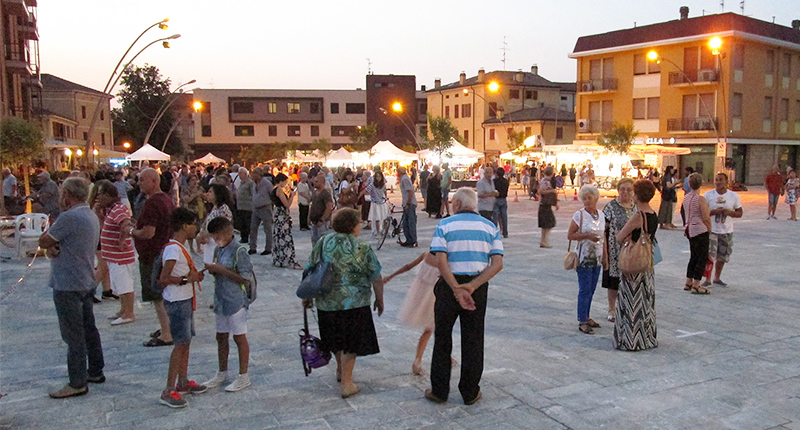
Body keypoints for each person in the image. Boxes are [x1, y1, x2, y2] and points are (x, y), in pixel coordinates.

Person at [424, 187, 503, 406]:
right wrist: (472, 286)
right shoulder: (489, 227)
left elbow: (440, 260)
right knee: (474, 339)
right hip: (477, 287)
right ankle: (470, 391)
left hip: (449, 286)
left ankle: (439, 391)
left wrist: (456, 288)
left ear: (457, 204)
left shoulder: (445, 225)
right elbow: (497, 264)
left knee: (442, 338)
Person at [301, 208, 384, 398]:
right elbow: (376, 275)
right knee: (350, 343)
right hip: (354, 303)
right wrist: (380, 299)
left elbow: (310, 269)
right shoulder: (361, 247)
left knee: (336, 339)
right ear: (353, 225)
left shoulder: (323, 242)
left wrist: (307, 296)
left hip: (327, 302)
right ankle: (347, 383)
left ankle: (340, 370)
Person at [38, 177, 104, 398]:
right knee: (89, 329)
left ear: (67, 194)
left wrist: (51, 245)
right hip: (85, 278)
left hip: (68, 283)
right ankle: (95, 370)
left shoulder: (69, 217)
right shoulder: (90, 215)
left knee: (73, 335)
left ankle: (77, 382)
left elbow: (45, 240)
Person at [157, 208, 207, 408]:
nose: (197, 228)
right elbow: (164, 278)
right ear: (185, 226)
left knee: (186, 342)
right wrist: (187, 279)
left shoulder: (179, 247)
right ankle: (169, 389)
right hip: (177, 302)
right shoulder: (173, 249)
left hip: (185, 299)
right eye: (194, 224)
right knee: (179, 343)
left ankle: (183, 380)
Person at [202, 217, 253, 392]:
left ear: (228, 232)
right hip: (221, 299)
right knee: (221, 337)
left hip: (236, 301)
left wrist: (222, 270)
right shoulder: (218, 250)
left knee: (239, 337)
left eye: (218, 236)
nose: (216, 240)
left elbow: (244, 279)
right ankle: (222, 372)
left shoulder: (239, 251)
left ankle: (243, 375)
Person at [131, 168, 176, 347]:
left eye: (142, 180)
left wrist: (131, 231)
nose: (139, 183)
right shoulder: (167, 200)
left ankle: (167, 333)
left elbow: (149, 233)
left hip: (153, 255)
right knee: (164, 295)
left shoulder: (153, 203)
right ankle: (167, 327)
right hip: (164, 252)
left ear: (154, 182)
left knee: (157, 296)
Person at [613, 180, 658, 351]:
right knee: (645, 302)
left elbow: (619, 236)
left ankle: (631, 339)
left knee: (631, 300)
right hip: (647, 262)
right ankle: (646, 337)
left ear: (636, 194)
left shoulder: (638, 216)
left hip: (634, 262)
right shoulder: (653, 213)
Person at [386, 251, 440, 375]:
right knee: (432, 329)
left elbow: (407, 266)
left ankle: (432, 357)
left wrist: (391, 276)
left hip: (420, 296)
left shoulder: (426, 255)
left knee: (433, 329)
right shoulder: (444, 259)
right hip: (434, 298)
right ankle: (417, 360)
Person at [95, 180, 136, 325]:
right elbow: (104, 226)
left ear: (108, 195)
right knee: (118, 284)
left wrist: (122, 239)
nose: (98, 197)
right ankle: (123, 309)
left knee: (125, 284)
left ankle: (129, 312)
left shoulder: (118, 209)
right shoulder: (111, 210)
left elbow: (125, 224)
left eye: (100, 194)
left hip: (120, 256)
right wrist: (99, 213)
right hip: (113, 255)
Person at [567, 185, 607, 335]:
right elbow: (570, 235)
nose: (587, 201)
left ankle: (587, 315)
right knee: (584, 289)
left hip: (596, 257)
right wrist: (587, 236)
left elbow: (603, 238)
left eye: (590, 198)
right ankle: (582, 320)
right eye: (584, 198)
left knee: (592, 289)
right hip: (584, 257)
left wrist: (605, 258)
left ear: (596, 198)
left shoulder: (601, 215)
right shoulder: (579, 215)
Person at [602, 178, 635, 323]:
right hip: (614, 249)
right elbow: (603, 229)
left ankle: (627, 307)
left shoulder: (636, 207)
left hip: (633, 250)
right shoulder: (610, 207)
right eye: (623, 189)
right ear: (618, 190)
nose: (626, 192)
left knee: (630, 279)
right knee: (613, 280)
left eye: (629, 189)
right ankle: (611, 308)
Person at [703, 172, 743, 287]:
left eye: (720, 180)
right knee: (710, 255)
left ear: (726, 182)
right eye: (716, 180)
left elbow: (739, 212)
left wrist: (729, 213)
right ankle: (708, 278)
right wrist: (714, 212)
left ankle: (717, 277)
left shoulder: (733, 196)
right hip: (712, 229)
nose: (718, 182)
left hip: (726, 230)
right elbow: (703, 212)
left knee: (723, 255)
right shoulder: (708, 195)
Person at [682, 172, 712, 294]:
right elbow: (705, 216)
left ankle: (688, 281)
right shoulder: (700, 199)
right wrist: (709, 228)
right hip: (700, 229)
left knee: (693, 255)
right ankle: (696, 283)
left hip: (689, 228)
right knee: (702, 257)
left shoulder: (686, 197)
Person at [197, 184, 233, 266]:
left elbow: (220, 229)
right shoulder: (214, 207)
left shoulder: (223, 209)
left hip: (219, 244)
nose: (207, 194)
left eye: (210, 192)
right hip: (210, 243)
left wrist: (203, 235)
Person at [270, 173, 301, 269]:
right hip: (281, 214)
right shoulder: (279, 190)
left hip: (277, 213)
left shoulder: (273, 189)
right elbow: (287, 204)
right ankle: (287, 258)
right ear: (281, 181)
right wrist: (292, 196)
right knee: (284, 236)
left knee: (278, 235)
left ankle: (278, 257)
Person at [249, 167, 273, 256]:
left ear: (258, 175)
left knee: (267, 229)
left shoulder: (267, 183)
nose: (252, 176)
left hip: (265, 207)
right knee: (253, 228)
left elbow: (272, 194)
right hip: (256, 208)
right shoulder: (254, 184)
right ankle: (252, 247)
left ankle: (268, 248)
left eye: (254, 175)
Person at [180, 174, 205, 253]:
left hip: (201, 211)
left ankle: (198, 247)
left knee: (200, 229)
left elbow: (206, 196)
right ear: (188, 182)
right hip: (191, 211)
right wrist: (195, 194)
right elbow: (186, 199)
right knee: (191, 230)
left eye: (195, 180)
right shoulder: (185, 189)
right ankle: (191, 247)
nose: (194, 182)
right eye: (192, 180)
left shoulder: (200, 188)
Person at [309, 173, 334, 245]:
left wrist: (322, 219)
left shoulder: (325, 194)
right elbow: (312, 204)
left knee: (322, 240)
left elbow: (329, 207)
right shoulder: (314, 192)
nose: (314, 183)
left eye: (317, 182)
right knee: (314, 240)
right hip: (314, 220)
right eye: (314, 181)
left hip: (322, 221)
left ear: (322, 183)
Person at [398, 166, 418, 247]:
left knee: (410, 222)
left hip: (409, 204)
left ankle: (412, 240)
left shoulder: (404, 179)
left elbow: (410, 192)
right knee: (406, 222)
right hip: (407, 203)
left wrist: (408, 203)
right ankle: (409, 239)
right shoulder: (404, 178)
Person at [538, 166, 557, 248]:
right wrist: (552, 191)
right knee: (549, 223)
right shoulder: (545, 181)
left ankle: (544, 240)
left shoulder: (547, 180)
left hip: (545, 204)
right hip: (544, 204)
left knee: (546, 224)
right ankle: (544, 240)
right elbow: (540, 191)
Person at [366, 167, 388, 235]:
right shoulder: (372, 184)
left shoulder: (382, 183)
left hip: (382, 202)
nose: (378, 178)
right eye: (377, 177)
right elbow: (366, 190)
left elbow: (385, 190)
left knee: (384, 217)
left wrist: (386, 197)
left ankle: (384, 231)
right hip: (375, 202)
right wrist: (371, 196)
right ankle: (378, 232)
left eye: (379, 177)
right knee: (377, 218)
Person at [234, 167, 253, 241]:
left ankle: (246, 237)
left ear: (245, 174)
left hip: (247, 207)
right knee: (241, 222)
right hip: (240, 206)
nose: (239, 175)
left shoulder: (250, 183)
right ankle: (243, 237)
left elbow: (252, 194)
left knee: (247, 222)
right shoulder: (241, 183)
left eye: (240, 173)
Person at [493, 167, 509, 238]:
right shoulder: (506, 181)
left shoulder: (494, 181)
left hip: (496, 199)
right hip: (503, 199)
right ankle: (505, 232)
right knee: (504, 216)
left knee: (495, 217)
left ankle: (495, 232)